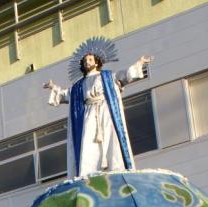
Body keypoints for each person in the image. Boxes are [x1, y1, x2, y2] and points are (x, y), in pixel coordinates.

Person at [44, 37, 152, 177]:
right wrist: (53, 87)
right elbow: (65, 95)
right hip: (88, 114)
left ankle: (115, 168)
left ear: (96, 61)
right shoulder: (78, 86)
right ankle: (88, 172)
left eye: (89, 59)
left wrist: (139, 63)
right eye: (85, 61)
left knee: (110, 137)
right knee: (88, 141)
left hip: (106, 110)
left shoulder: (107, 77)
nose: (87, 62)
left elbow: (124, 75)